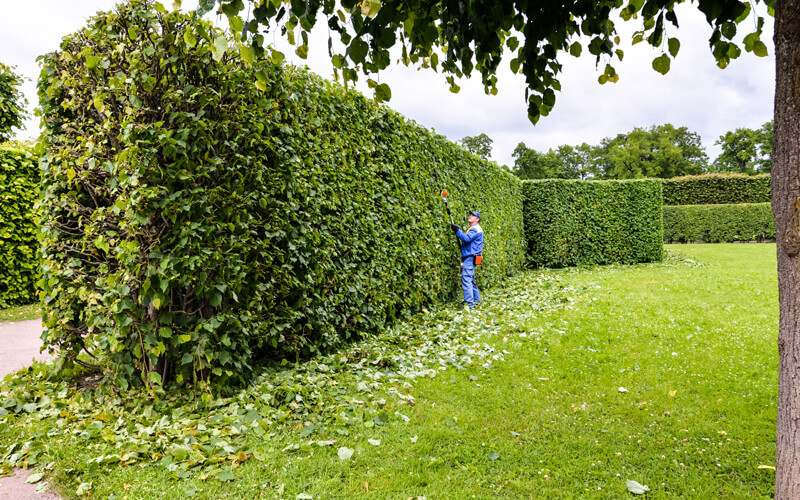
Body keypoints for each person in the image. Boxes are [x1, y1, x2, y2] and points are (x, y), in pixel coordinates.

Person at [451, 211, 484, 310]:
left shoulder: (475, 229)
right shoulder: (474, 229)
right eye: (470, 214)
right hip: (472, 257)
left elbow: (466, 238)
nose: (470, 216)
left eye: (473, 215)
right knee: (470, 279)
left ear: (477, 219)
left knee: (466, 280)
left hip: (470, 257)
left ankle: (469, 305)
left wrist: (457, 231)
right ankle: (476, 300)